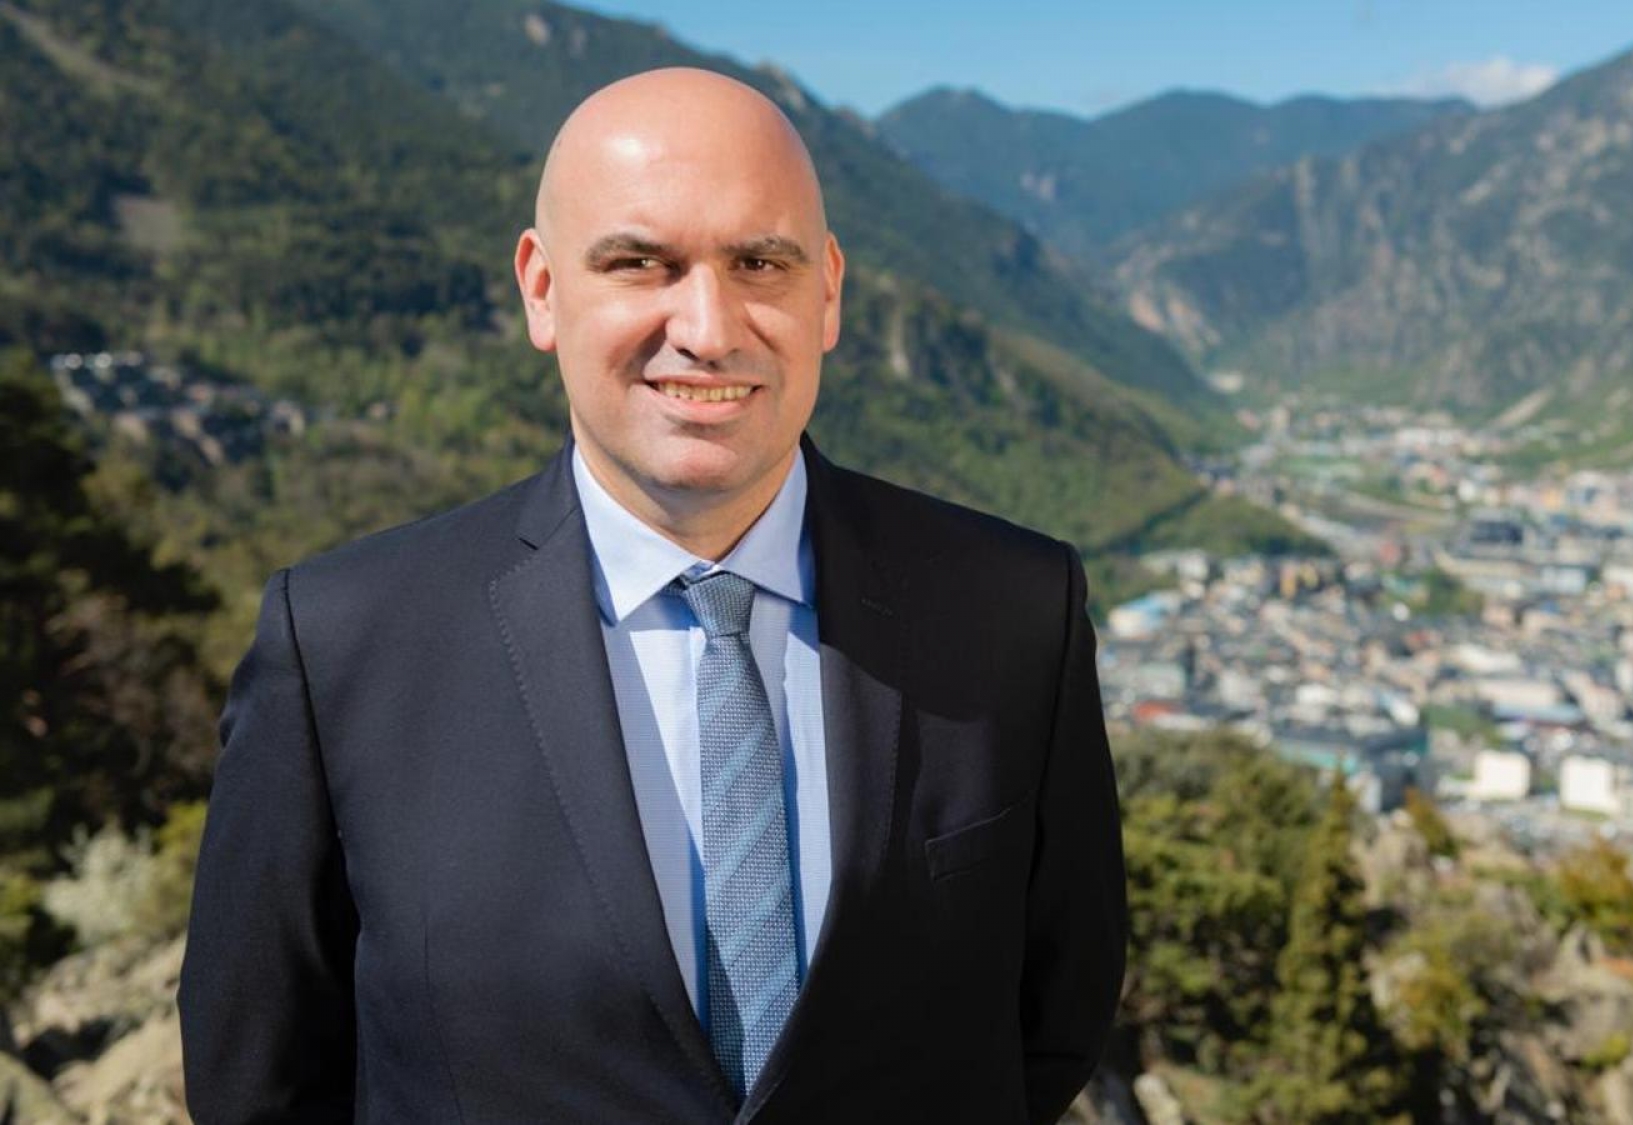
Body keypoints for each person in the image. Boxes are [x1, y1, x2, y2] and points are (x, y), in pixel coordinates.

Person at [177, 67, 1127, 1123]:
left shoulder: (1015, 613)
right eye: (641, 263)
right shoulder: (343, 648)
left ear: (827, 292)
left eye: (758, 262)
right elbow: (257, 1080)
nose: (708, 328)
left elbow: (1053, 1020)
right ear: (542, 289)